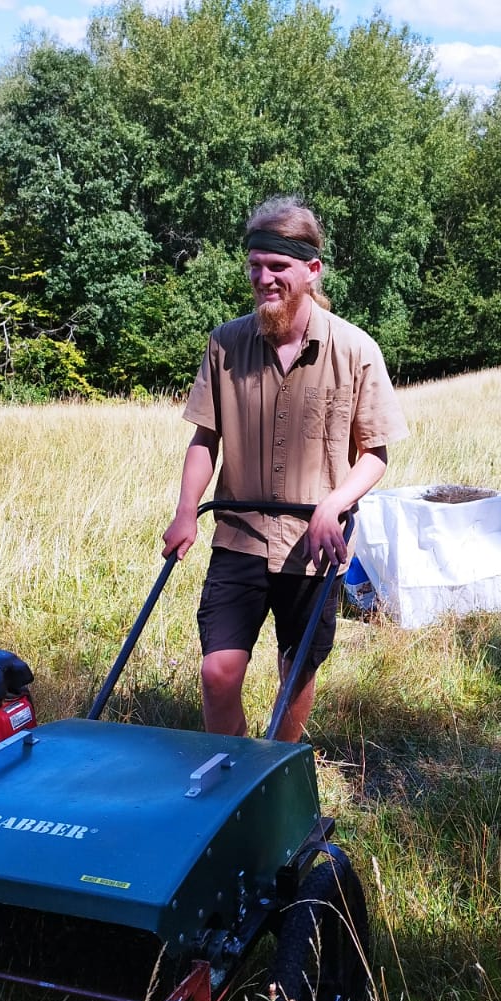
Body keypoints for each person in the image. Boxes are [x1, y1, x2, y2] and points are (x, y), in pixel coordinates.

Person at [161, 197, 408, 742]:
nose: (264, 279)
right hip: (239, 538)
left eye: (278, 267)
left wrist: (333, 504)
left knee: (296, 673)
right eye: (255, 266)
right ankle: (229, 779)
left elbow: (375, 453)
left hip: (313, 544)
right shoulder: (226, 345)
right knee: (218, 671)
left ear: (311, 270)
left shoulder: (356, 349)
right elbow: (205, 437)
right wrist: (185, 513)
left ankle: (277, 770)